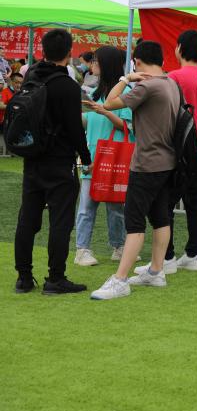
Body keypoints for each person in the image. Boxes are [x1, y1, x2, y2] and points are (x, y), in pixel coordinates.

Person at [90, 40, 181, 300]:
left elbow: (109, 103)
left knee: (135, 220)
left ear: (137, 61)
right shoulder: (170, 83)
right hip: (167, 160)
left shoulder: (147, 86)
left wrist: (125, 77)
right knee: (160, 215)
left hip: (147, 162)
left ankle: (120, 280)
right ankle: (155, 271)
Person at [13, 29, 92, 295]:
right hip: (60, 161)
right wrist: (86, 155)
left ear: (43, 50)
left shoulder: (31, 77)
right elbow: (74, 128)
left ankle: (23, 277)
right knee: (60, 220)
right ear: (69, 52)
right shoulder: (67, 86)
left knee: (28, 217)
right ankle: (55, 278)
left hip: (32, 157)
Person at [161, 30, 197, 273]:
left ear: (180, 47)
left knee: (166, 204)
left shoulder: (173, 77)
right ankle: (193, 254)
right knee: (194, 203)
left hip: (179, 150)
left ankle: (167, 256)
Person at [74, 46, 130, 267]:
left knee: (116, 206)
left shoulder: (124, 93)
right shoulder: (94, 90)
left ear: (106, 64)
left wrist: (103, 111)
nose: (92, 64)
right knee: (87, 206)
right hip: (93, 156)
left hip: (115, 158)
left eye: (96, 60)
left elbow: (127, 126)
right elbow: (91, 122)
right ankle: (82, 249)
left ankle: (119, 246)